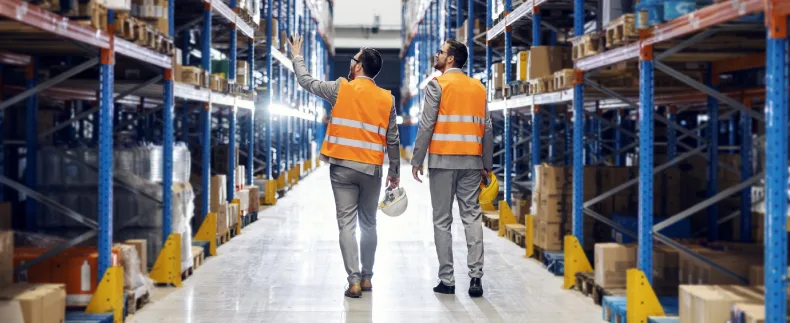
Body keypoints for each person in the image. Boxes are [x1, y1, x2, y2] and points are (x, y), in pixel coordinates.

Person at [286, 35, 401, 298]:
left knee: (347, 224)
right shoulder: (387, 99)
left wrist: (297, 56)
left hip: (341, 169)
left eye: (354, 59)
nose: (351, 63)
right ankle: (368, 277)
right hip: (371, 169)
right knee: (369, 224)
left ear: (358, 66)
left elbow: (306, 82)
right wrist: (394, 172)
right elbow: (392, 139)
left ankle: (354, 281)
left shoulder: (341, 88)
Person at [411, 39, 493, 298]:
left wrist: (416, 160)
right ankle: (476, 278)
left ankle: (447, 280)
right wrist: (486, 164)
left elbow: (426, 125)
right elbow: (487, 129)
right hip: (471, 162)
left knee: (442, 220)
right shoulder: (478, 88)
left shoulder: (437, 85)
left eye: (441, 52)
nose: (437, 54)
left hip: (443, 161)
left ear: (450, 59)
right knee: (472, 217)